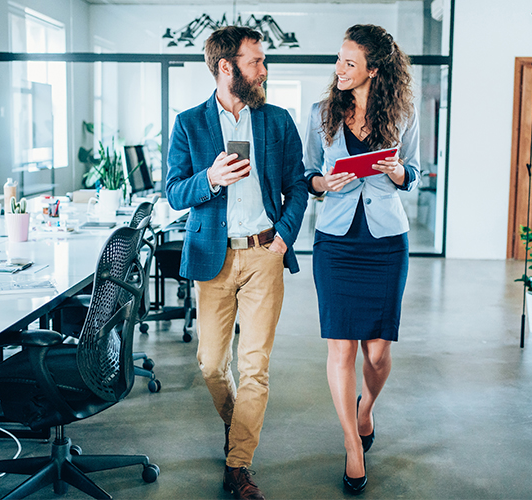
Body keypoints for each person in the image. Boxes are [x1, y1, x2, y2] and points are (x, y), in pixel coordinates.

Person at [166, 26, 308, 500]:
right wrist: (208, 178)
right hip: (214, 256)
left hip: (265, 252)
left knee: (255, 366)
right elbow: (172, 193)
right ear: (226, 67)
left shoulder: (277, 120)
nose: (263, 70)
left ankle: (239, 465)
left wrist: (284, 238)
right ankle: (238, 424)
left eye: (263, 61)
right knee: (210, 364)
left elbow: (297, 185)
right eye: (255, 62)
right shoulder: (189, 124)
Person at [302, 24, 420, 495]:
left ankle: (365, 407)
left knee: (378, 351)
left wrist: (399, 173)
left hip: (386, 242)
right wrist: (321, 184)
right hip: (335, 242)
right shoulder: (320, 113)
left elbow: (415, 169)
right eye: (338, 60)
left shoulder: (403, 113)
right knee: (341, 348)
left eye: (349, 63)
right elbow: (306, 173)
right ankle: (352, 446)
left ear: (374, 69)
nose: (339, 69)